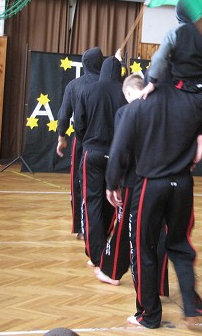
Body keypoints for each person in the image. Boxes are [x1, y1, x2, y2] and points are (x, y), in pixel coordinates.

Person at [105, 78, 202, 329]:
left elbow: (120, 148)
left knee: (143, 249)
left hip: (151, 186)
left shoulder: (136, 108)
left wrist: (112, 183)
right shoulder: (191, 103)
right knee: (181, 246)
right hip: (183, 185)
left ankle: (149, 315)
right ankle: (191, 304)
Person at [97, 74, 170, 296]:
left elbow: (122, 150)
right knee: (158, 234)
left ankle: (111, 272)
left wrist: (113, 182)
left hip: (134, 181)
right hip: (164, 180)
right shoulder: (163, 111)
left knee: (127, 229)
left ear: (128, 93)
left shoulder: (127, 112)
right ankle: (157, 286)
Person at [73, 51, 127, 280]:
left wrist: (88, 143)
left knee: (91, 202)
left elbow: (79, 124)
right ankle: (105, 252)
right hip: (116, 156)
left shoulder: (88, 90)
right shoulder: (124, 94)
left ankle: (96, 255)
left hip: (92, 153)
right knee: (113, 203)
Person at [56, 47, 104, 240]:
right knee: (105, 185)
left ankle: (81, 227)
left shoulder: (75, 85)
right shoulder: (110, 84)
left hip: (84, 142)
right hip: (108, 144)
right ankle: (102, 227)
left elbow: (64, 114)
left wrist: (61, 137)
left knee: (79, 183)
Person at [140, 0, 202, 99]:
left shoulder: (174, 33)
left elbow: (159, 58)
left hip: (180, 88)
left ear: (178, 15)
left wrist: (152, 82)